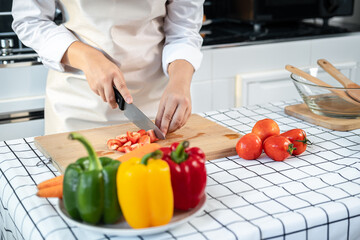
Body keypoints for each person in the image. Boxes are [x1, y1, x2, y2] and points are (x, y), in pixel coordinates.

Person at [12, 0, 204, 136]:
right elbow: (29, 20)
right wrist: (88, 58)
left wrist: (180, 82)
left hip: (155, 110)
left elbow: (184, 30)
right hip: (77, 105)